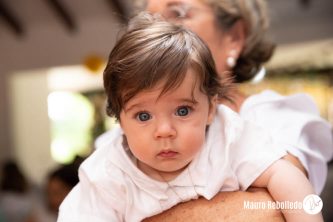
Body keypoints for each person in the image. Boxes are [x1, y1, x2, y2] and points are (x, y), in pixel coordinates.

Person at [57, 13, 322, 222]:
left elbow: (285, 177)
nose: (164, 130)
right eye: (143, 115)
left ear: (210, 109)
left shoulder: (228, 138)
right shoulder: (106, 176)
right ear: (120, 121)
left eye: (182, 111)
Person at [127, 0, 333, 220]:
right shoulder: (119, 141)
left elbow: (267, 213)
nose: (159, 30)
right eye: (149, 22)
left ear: (234, 37)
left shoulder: (275, 120)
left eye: (178, 13)